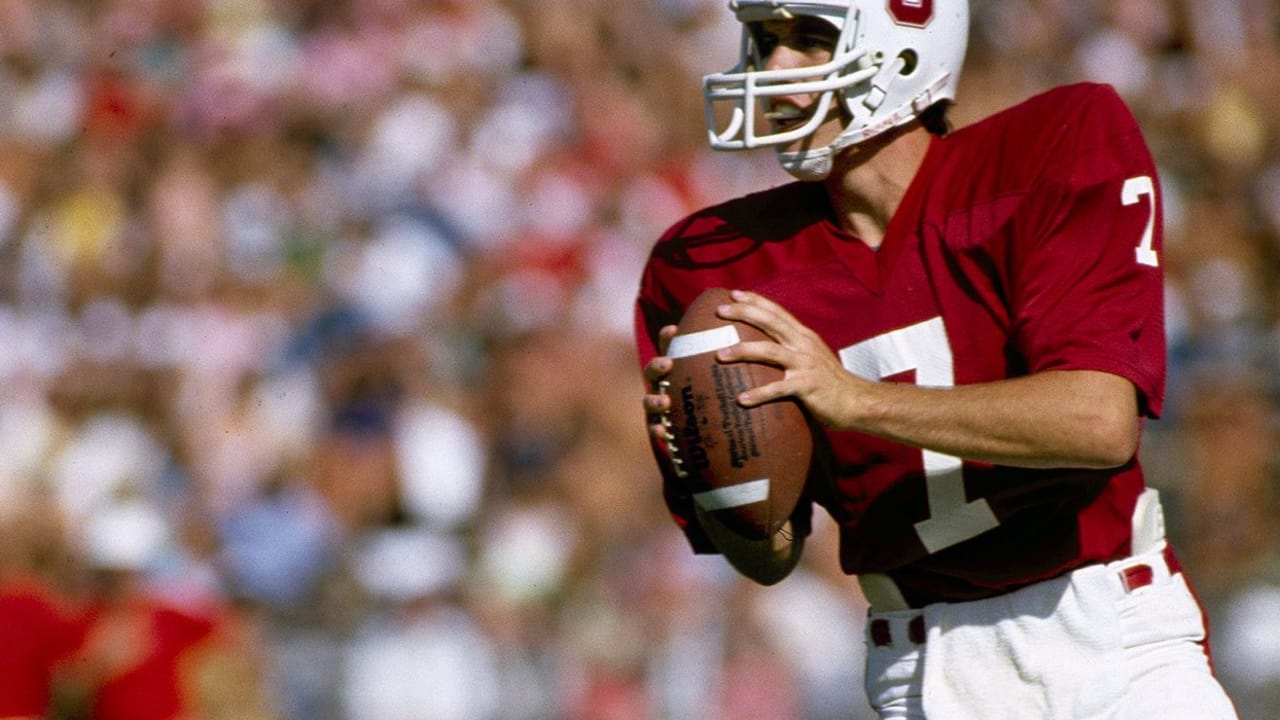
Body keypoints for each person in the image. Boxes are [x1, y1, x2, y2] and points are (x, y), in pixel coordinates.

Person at [633, 1, 1240, 718]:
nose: (773, 68)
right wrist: (711, 466)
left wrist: (855, 398)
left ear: (905, 44)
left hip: (1108, 637)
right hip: (919, 665)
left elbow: (1099, 422)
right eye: (766, 40)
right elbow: (771, 559)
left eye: (810, 38)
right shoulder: (710, 262)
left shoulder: (1055, 145)